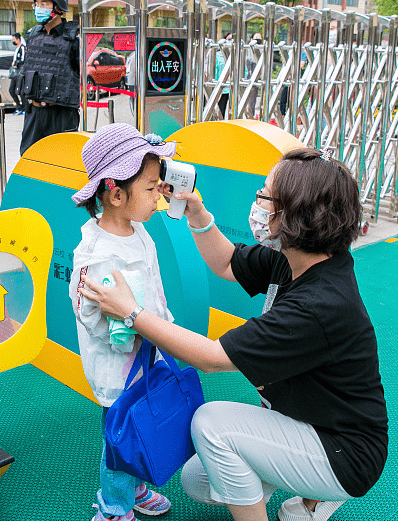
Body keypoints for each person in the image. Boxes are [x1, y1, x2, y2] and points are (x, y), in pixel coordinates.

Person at [80, 148, 388, 521]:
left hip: (345, 452)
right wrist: (196, 212)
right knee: (199, 481)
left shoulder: (320, 304)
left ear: (296, 213)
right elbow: (226, 262)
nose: (256, 202)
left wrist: (131, 312)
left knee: (211, 424)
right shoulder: (296, 257)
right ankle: (307, 492)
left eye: (265, 196)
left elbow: (211, 358)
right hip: (302, 417)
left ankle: (316, 494)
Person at [69, 123, 177, 521]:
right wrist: (129, 333)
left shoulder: (138, 232)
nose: (158, 196)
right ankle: (114, 506)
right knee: (119, 438)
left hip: (148, 353)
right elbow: (89, 315)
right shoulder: (95, 252)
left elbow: (155, 287)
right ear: (115, 194)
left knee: (141, 426)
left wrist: (162, 324)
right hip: (120, 363)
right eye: (150, 189)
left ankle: (136, 488)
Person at [18, 0, 80, 156]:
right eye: (37, 4)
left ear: (58, 7)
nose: (39, 8)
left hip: (61, 114)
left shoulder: (74, 39)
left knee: (62, 164)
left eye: (44, 4)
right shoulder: (32, 36)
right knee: (29, 161)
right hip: (34, 113)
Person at [214, 32, 232, 119]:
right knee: (220, 111)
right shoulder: (217, 56)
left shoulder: (238, 56)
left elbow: (245, 71)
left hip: (232, 89)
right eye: (229, 39)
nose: (230, 42)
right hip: (221, 89)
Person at [8, 32, 26, 115]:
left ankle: (25, 108)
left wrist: (15, 63)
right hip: (15, 73)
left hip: (20, 72)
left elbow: (23, 60)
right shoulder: (16, 49)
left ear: (18, 39)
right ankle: (18, 106)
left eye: (13, 39)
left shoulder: (22, 48)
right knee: (12, 90)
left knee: (21, 90)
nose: (13, 41)